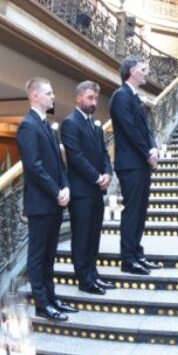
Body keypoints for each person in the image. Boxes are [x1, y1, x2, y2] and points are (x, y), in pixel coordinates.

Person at [16, 77, 77, 321]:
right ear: (35, 96)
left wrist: (65, 187)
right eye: (49, 93)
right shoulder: (27, 126)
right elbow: (33, 166)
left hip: (54, 201)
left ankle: (52, 298)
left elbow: (59, 163)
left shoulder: (48, 124)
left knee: (50, 255)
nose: (53, 97)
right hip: (41, 204)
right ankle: (42, 304)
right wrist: (55, 191)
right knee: (38, 256)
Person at [109, 56, 162, 275]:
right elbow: (129, 130)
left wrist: (153, 149)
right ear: (131, 71)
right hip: (130, 164)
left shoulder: (135, 97)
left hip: (140, 161)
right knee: (132, 211)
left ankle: (137, 253)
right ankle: (128, 259)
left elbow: (145, 129)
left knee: (140, 211)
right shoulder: (120, 96)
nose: (146, 72)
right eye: (143, 69)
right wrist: (146, 152)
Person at [61, 81, 114, 295]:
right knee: (82, 236)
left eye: (95, 99)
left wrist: (108, 173)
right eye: (90, 98)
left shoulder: (96, 125)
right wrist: (96, 177)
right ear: (78, 98)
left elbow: (103, 153)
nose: (94, 102)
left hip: (96, 191)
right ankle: (84, 279)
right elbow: (76, 157)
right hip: (81, 192)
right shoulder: (69, 123)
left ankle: (93, 274)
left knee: (94, 236)